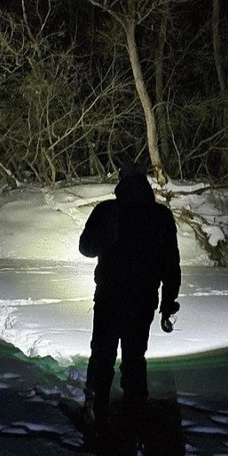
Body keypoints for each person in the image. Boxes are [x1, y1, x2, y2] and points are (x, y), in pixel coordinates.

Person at [78, 163, 181, 423]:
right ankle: (134, 412)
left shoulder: (107, 211)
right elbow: (171, 264)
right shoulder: (160, 216)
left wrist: (106, 236)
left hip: (109, 297)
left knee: (102, 354)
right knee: (134, 357)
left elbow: (86, 248)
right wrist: (169, 302)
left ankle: (95, 407)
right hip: (143, 300)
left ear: (121, 181)